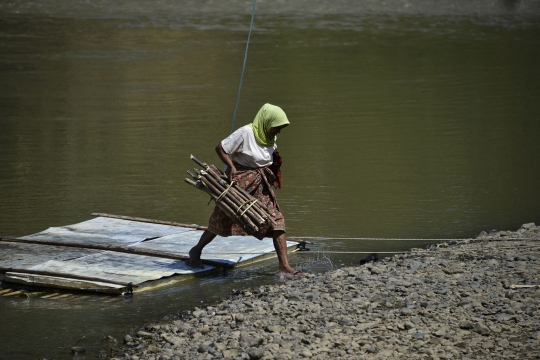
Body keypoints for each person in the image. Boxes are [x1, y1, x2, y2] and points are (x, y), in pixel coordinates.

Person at [186, 103, 302, 277]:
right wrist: (230, 166)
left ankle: (284, 266)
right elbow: (221, 148)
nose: (278, 132)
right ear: (266, 123)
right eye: (276, 128)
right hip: (240, 183)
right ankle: (196, 250)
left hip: (261, 186)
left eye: (280, 129)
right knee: (221, 219)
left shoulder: (270, 138)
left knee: (277, 220)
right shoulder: (246, 132)